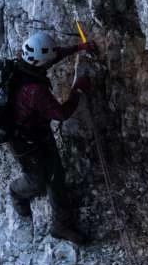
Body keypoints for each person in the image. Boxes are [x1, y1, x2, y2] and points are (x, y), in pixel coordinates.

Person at [6, 30, 97, 241]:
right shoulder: (35, 91)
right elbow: (61, 114)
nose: (52, 60)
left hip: (36, 133)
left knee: (56, 177)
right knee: (38, 181)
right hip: (25, 142)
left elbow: (51, 55)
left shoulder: (21, 62)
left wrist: (79, 48)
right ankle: (17, 192)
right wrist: (77, 90)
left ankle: (61, 225)